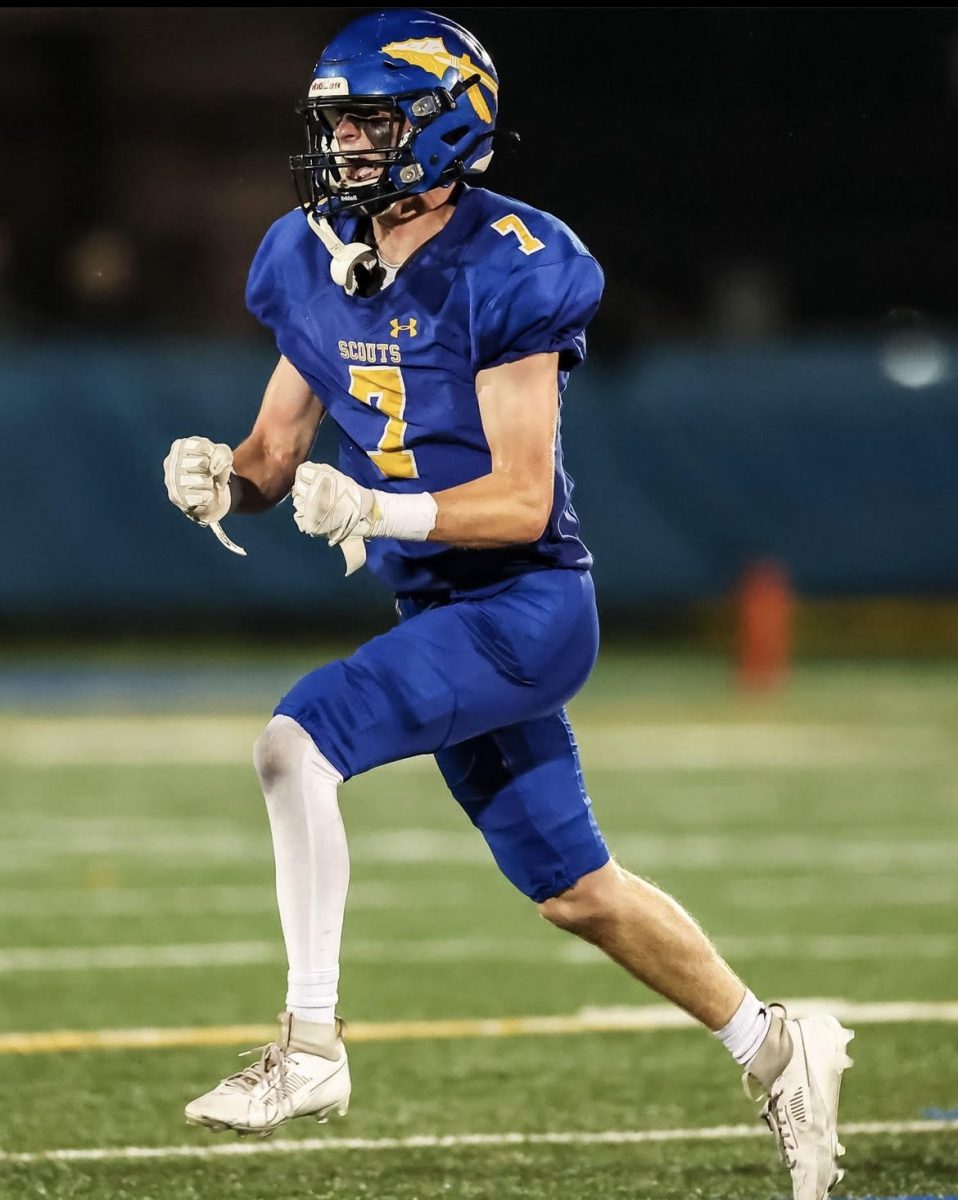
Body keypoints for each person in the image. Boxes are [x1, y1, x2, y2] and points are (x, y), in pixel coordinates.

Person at [162, 10, 853, 1198]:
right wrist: (220, 477)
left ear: (444, 122)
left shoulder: (512, 259)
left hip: (522, 609)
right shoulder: (306, 253)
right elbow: (276, 453)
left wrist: (377, 514)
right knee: (577, 893)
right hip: (437, 616)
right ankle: (780, 1048)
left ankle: (311, 1045)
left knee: (296, 743)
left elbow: (523, 501)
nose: (347, 149)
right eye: (337, 126)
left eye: (373, 123)